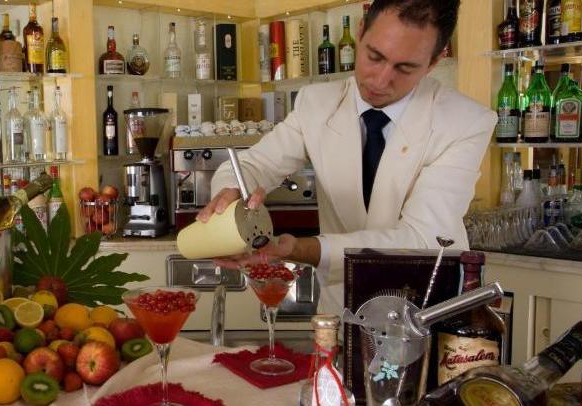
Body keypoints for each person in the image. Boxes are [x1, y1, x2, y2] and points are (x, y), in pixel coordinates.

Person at [201, 0, 495, 285]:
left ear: (434, 61)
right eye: (374, 56)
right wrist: (232, 194)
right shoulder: (316, 103)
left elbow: (423, 240)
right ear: (360, 31)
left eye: (405, 68)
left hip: (422, 300)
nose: (380, 81)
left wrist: (300, 249)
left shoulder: (465, 122)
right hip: (341, 303)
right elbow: (254, 165)